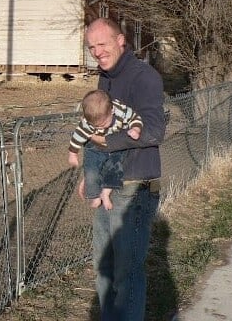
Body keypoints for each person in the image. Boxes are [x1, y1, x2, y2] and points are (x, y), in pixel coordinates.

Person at [82, 17, 166, 321]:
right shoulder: (105, 78)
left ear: (121, 41)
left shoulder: (144, 77)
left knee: (126, 273)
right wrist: (90, 175)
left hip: (135, 188)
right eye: (91, 47)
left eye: (102, 44)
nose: (97, 52)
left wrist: (105, 142)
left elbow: (154, 131)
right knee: (103, 266)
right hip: (110, 183)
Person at [68, 89, 143, 210]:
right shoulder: (88, 123)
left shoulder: (121, 111)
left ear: (112, 111)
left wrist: (136, 129)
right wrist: (73, 153)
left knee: (117, 168)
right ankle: (94, 196)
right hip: (94, 147)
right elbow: (78, 135)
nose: (100, 127)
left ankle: (106, 193)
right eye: (96, 126)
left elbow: (136, 118)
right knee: (91, 170)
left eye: (103, 123)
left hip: (115, 146)